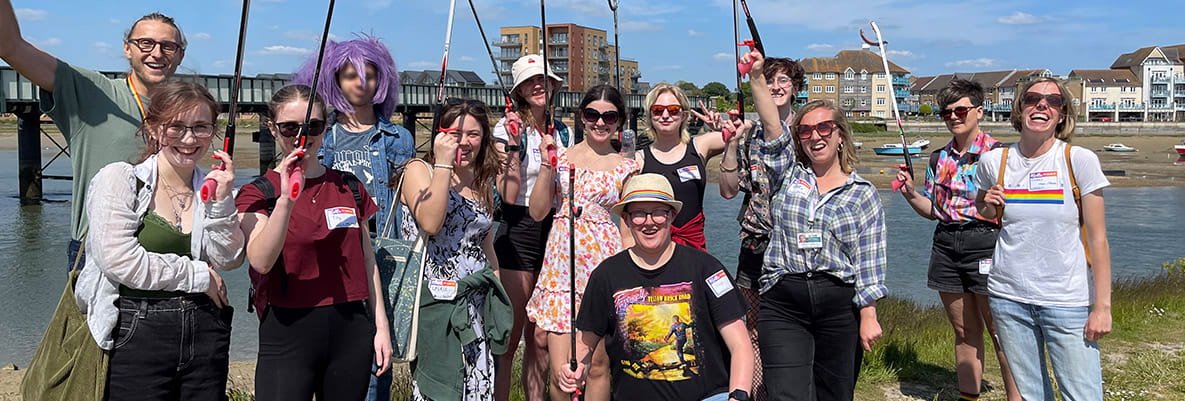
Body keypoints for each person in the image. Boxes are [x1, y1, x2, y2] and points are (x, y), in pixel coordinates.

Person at [74, 81, 243, 400]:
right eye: (176, 127)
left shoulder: (210, 188)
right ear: (153, 128)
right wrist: (197, 275)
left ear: (213, 131)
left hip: (206, 329)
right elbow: (119, 261)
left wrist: (222, 203)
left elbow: (229, 259)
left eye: (200, 127)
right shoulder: (120, 180)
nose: (189, 138)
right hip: (135, 328)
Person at [0, 2, 187, 270]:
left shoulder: (185, 112)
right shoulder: (91, 92)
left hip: (165, 252)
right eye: (146, 43)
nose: (157, 53)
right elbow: (10, 47)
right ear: (127, 48)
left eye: (168, 46)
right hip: (97, 252)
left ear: (180, 55)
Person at [745, 50, 886, 401]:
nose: (815, 136)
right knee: (785, 393)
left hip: (838, 304)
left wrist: (868, 314)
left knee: (834, 393)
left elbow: (869, 261)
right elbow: (774, 131)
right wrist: (756, 78)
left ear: (840, 135)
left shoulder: (863, 194)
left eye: (825, 127)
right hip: (783, 301)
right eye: (806, 130)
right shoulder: (787, 175)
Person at [236, 85, 392, 400]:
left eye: (313, 126)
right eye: (289, 127)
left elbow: (368, 260)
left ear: (325, 127)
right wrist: (286, 199)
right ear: (272, 129)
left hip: (350, 327)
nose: (301, 136)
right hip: (287, 330)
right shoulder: (257, 193)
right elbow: (261, 261)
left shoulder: (348, 186)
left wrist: (381, 326)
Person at [291, 34, 416, 401]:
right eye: (350, 75)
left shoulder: (398, 138)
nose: (362, 83)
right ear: (334, 80)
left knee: (378, 360)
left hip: (382, 256)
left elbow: (407, 201)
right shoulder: (321, 137)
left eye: (371, 75)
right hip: (332, 258)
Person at [974, 77, 1112, 401]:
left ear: (1062, 115)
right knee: (1032, 395)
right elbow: (982, 205)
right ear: (1020, 109)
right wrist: (988, 203)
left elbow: (1099, 239)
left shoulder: (1079, 160)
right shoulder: (994, 161)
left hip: (1066, 301)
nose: (1042, 105)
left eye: (1053, 101)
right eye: (1033, 98)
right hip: (1008, 298)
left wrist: (1102, 307)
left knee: (1082, 395)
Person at [558, 174, 754, 401]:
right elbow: (585, 345)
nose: (649, 221)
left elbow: (740, 345)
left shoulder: (706, 267)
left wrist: (738, 396)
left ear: (672, 216)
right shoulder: (606, 275)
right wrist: (575, 368)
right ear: (627, 219)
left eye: (658, 212)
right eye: (639, 214)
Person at [895, 79, 1020, 401]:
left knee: (1000, 331)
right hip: (946, 243)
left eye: (960, 110)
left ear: (979, 111)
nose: (953, 116)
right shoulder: (939, 158)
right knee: (964, 331)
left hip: (988, 242)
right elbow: (935, 210)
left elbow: (1018, 210)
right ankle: (969, 396)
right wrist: (910, 194)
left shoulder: (1000, 155)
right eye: (946, 112)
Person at [525, 84, 639, 401]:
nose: (600, 123)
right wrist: (548, 166)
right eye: (593, 114)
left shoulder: (627, 166)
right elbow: (536, 212)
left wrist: (631, 277)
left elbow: (628, 227)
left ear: (620, 121)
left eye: (610, 116)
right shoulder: (560, 158)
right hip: (562, 267)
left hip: (603, 264)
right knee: (563, 369)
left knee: (598, 364)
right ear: (581, 117)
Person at [397, 98, 510, 401]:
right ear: (440, 133)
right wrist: (444, 162)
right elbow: (432, 223)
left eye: (473, 134)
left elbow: (484, 241)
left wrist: (496, 293)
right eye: (455, 133)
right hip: (437, 304)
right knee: (441, 385)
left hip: (475, 304)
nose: (464, 141)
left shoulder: (479, 180)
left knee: (476, 384)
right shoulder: (418, 171)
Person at [719, 56, 804, 401]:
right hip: (755, 242)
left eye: (785, 80)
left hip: (794, 245)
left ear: (795, 88)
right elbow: (727, 189)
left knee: (789, 327)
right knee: (750, 326)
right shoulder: (751, 133)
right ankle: (755, 392)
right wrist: (730, 142)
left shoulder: (805, 129)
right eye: (770, 80)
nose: (777, 86)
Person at [491, 54, 570, 401]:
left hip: (555, 228)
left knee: (541, 336)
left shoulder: (565, 129)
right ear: (520, 90)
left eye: (544, 80)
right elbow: (506, 195)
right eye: (530, 81)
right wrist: (511, 143)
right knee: (511, 337)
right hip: (518, 227)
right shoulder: (506, 129)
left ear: (554, 86)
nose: (539, 85)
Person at [636, 83, 738, 251]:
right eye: (658, 110)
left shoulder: (701, 145)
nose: (666, 115)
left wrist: (724, 128)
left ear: (683, 115)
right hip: (654, 247)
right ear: (650, 115)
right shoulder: (639, 160)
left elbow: (743, 129)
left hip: (693, 246)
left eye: (674, 110)